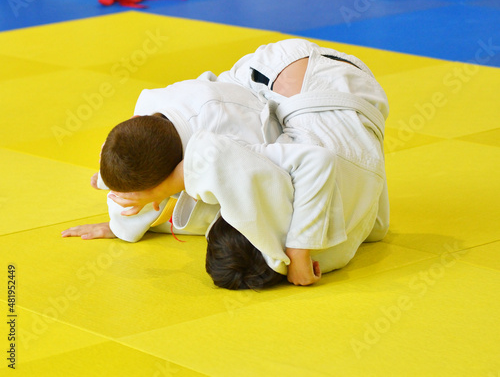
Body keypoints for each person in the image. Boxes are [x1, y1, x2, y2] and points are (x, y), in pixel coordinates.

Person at [180, 39, 390, 289]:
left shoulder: (333, 255)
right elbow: (207, 150)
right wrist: (298, 250)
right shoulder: (277, 188)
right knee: (208, 133)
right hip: (295, 71)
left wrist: (300, 256)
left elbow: (378, 230)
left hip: (366, 97)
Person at [61, 73, 282, 241]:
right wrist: (108, 171)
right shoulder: (150, 102)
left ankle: (131, 213)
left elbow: (259, 187)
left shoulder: (225, 143)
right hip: (212, 104)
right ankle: (118, 187)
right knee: (128, 166)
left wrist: (120, 226)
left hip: (266, 144)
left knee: (232, 228)